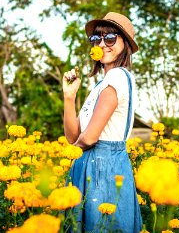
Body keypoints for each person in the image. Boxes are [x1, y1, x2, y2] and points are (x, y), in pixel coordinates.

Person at [62, 12, 143, 232]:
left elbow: (88, 137)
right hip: (89, 164)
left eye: (110, 37)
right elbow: (73, 135)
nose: (103, 44)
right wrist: (69, 97)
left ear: (125, 44)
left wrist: (69, 155)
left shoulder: (118, 76)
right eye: (97, 38)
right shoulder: (99, 85)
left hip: (104, 167)